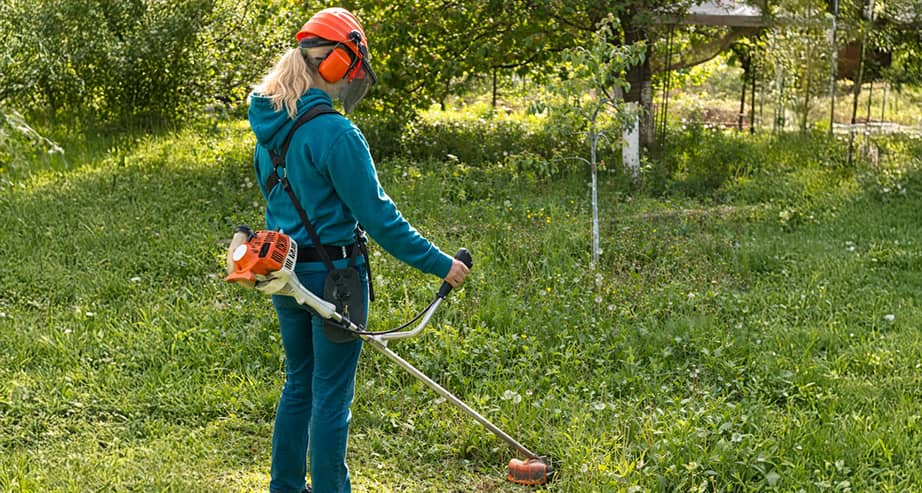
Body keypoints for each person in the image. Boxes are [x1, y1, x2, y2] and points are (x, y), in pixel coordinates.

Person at [225, 7, 469, 493]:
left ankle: (287, 488)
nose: (353, 79)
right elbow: (382, 221)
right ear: (336, 64)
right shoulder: (336, 133)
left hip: (286, 277)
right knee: (331, 397)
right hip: (336, 281)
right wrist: (444, 264)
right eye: (352, 67)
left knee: (299, 387)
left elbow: (278, 208)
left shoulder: (269, 133)